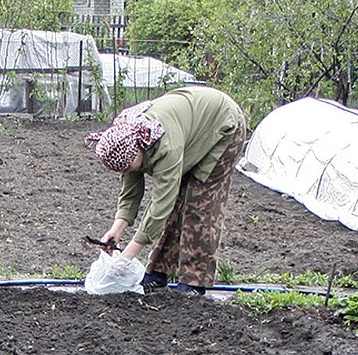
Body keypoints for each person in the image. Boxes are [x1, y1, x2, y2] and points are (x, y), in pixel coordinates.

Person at [88, 84, 247, 294]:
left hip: (223, 126)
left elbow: (162, 203)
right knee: (178, 201)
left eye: (128, 166)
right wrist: (117, 229)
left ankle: (194, 281)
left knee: (198, 203)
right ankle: (158, 272)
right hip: (191, 129)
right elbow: (130, 191)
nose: (127, 170)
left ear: (139, 149)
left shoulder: (164, 146)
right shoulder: (128, 136)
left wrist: (126, 258)